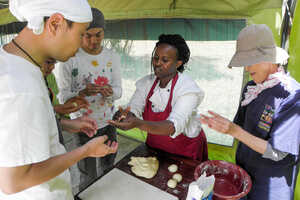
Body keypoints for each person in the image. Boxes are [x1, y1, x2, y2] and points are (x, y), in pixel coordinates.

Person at [0, 1, 118, 200]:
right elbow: (14, 181)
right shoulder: (21, 86)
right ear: (55, 23)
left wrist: (64, 123)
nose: (82, 43)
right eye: (81, 34)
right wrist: (86, 150)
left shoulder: (15, 64)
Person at [200, 24, 300, 200]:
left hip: (271, 188)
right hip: (245, 177)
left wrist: (233, 130)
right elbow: (241, 126)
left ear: (270, 58)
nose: (246, 69)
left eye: (250, 61)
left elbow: (278, 153)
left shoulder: (291, 96)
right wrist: (224, 126)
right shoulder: (252, 88)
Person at [109, 34, 208, 161]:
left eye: (164, 60)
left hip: (185, 151)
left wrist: (137, 123)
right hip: (155, 148)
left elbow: (172, 126)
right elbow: (134, 107)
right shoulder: (147, 83)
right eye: (155, 58)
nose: (157, 63)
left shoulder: (187, 89)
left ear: (178, 63)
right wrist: (125, 116)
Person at [56, 8, 122, 189]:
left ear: (104, 32)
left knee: (108, 165)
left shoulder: (112, 57)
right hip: (83, 126)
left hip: (109, 122)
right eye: (87, 35)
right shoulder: (69, 59)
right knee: (87, 172)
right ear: (79, 33)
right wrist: (82, 94)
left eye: (98, 35)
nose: (93, 41)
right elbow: (63, 99)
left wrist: (110, 91)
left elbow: (119, 91)